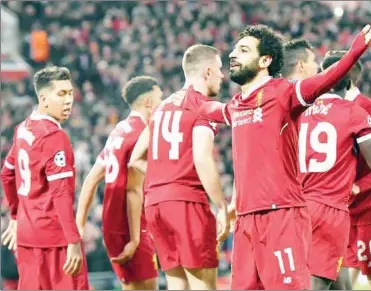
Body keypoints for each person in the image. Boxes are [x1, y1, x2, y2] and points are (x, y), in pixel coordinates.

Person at [181, 23, 371, 289]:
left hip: (282, 216)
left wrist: (356, 49)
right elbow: (205, 107)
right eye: (235, 49)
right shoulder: (237, 106)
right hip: (246, 219)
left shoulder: (284, 92)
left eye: (243, 50)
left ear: (265, 60)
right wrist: (189, 86)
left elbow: (325, 79)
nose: (232, 55)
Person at [129, 44, 230, 290]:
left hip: (155, 205)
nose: (223, 75)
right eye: (219, 69)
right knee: (203, 284)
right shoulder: (200, 107)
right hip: (186, 203)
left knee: (177, 284)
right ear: (207, 72)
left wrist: (164, 176)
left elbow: (135, 158)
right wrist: (222, 207)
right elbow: (203, 159)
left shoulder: (162, 107)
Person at [298, 55, 371, 290]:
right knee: (317, 283)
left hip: (299, 204)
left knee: (341, 283)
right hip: (330, 207)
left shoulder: (299, 110)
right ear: (349, 82)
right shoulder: (353, 112)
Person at [0, 66, 89, 289]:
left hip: (28, 237)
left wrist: (15, 216)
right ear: (43, 98)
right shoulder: (55, 137)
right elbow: (60, 194)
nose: (69, 100)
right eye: (61, 94)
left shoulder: (23, 128)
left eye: (70, 93)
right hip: (55, 239)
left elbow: (6, 172)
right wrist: (73, 240)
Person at [75, 76, 163, 290]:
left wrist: (79, 226)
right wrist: (134, 239)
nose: (163, 104)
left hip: (112, 225)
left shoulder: (118, 131)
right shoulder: (141, 134)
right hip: (131, 225)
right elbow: (133, 190)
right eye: (160, 98)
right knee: (148, 286)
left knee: (132, 286)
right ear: (149, 102)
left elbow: (91, 179)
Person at [323, 51, 371, 290]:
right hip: (341, 213)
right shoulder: (325, 110)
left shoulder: (369, 109)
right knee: (340, 280)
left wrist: (358, 186)